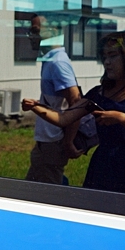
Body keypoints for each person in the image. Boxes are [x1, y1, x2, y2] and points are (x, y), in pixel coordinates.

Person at [22, 31, 125, 195]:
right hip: (102, 167)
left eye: (113, 56)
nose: (107, 62)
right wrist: (35, 107)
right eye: (104, 56)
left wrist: (121, 118)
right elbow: (64, 118)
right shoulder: (100, 92)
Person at [24, 13, 82, 184]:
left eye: (35, 31)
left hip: (53, 141)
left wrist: (69, 142)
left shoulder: (58, 63)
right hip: (47, 140)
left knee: (44, 195)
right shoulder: (50, 60)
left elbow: (76, 102)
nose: (31, 36)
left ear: (54, 30)